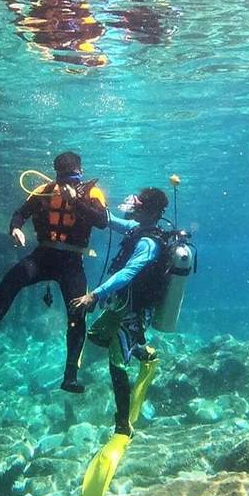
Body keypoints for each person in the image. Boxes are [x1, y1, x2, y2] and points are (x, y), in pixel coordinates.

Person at [0, 151, 108, 392]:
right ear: (56, 175)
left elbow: (101, 221)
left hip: (71, 261)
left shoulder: (92, 193)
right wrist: (15, 228)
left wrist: (76, 202)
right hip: (44, 255)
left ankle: (70, 376)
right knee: (11, 280)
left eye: (72, 179)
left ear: (80, 173)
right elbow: (20, 213)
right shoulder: (44, 191)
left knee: (77, 312)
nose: (67, 185)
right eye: (63, 179)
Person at [70, 186, 171, 436]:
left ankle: (123, 424)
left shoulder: (148, 243)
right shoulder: (137, 228)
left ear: (151, 212)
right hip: (122, 303)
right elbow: (109, 220)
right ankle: (141, 350)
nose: (134, 207)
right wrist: (82, 201)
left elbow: (128, 273)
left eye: (140, 205)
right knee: (96, 335)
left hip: (135, 311)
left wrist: (94, 294)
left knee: (117, 364)